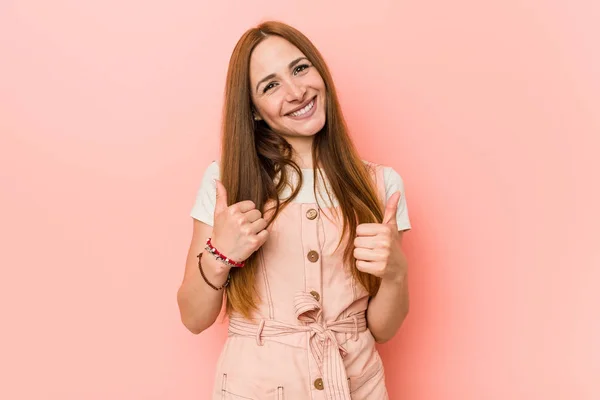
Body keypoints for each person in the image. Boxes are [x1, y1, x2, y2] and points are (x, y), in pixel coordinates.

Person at [177, 20, 411, 400]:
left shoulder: (381, 185)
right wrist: (220, 255)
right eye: (271, 85)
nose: (297, 91)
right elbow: (193, 317)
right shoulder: (227, 182)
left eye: (300, 68)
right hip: (254, 387)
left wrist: (396, 271)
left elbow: (383, 329)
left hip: (358, 386)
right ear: (253, 110)